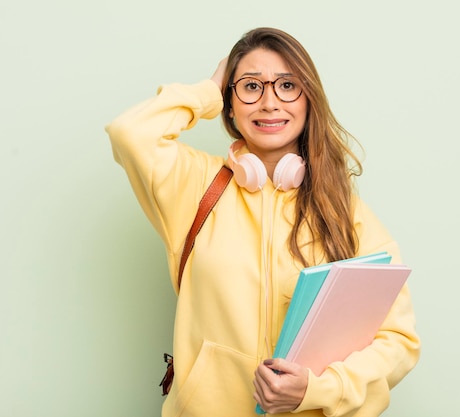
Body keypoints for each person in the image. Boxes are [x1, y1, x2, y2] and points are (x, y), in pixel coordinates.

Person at [106, 27, 420, 417]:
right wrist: (209, 87)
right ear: (229, 104)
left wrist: (318, 389)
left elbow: (398, 341)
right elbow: (129, 132)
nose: (270, 102)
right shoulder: (192, 186)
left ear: (309, 101)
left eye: (287, 85)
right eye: (251, 86)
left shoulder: (348, 215)